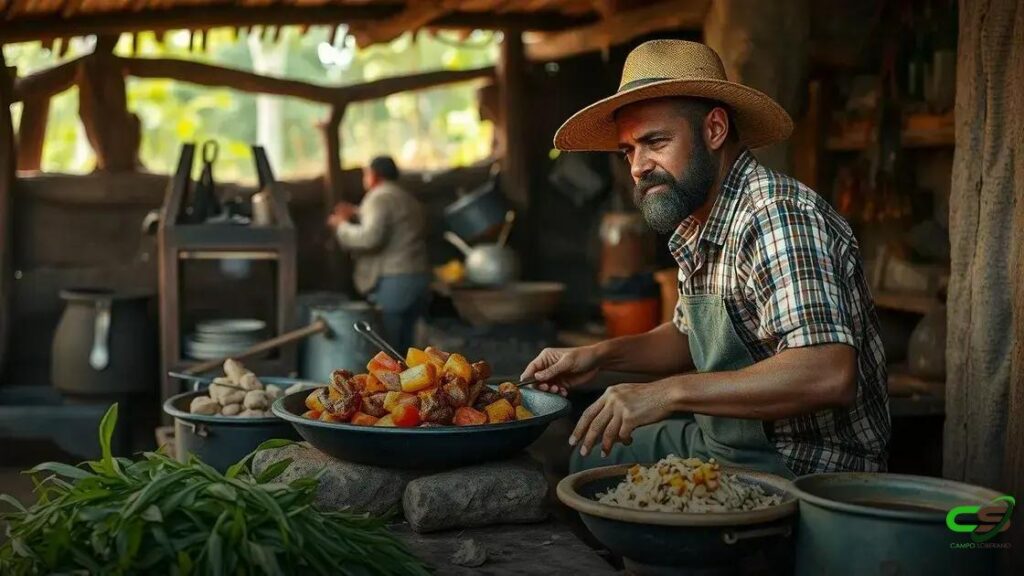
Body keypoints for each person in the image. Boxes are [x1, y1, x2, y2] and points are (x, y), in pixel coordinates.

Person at [522, 40, 890, 479]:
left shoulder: (776, 217)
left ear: (714, 130)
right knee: (591, 452)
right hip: (725, 447)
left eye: (654, 141)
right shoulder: (698, 222)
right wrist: (598, 356)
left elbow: (827, 372)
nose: (638, 166)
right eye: (628, 151)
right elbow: (688, 338)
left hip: (802, 471)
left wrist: (668, 393)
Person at [328, 156, 431, 353]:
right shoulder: (406, 196)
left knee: (388, 345)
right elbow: (392, 222)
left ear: (374, 175)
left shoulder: (379, 197)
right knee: (408, 346)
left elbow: (370, 238)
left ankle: (393, 384)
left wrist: (341, 226)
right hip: (417, 276)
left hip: (395, 280)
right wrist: (357, 213)